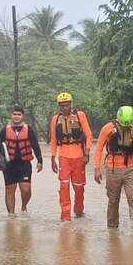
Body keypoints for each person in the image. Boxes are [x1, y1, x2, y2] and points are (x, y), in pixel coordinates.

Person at [93, 106, 133, 229]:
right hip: (113, 169)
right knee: (113, 201)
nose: (126, 127)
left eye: (128, 125)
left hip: (132, 168)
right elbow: (98, 149)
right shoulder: (107, 129)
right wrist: (97, 169)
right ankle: (112, 230)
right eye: (124, 125)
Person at [49, 92, 94, 222]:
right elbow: (53, 139)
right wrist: (53, 158)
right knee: (63, 186)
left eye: (67, 105)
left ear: (70, 104)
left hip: (79, 155)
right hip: (63, 155)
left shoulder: (80, 116)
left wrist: (87, 153)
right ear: (59, 106)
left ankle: (79, 210)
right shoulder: (55, 119)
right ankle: (65, 216)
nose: (64, 108)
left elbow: (89, 135)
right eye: (62, 105)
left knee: (79, 187)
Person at [0, 105, 43, 214]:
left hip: (24, 163)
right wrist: (1, 157)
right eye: (14, 114)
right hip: (9, 165)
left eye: (19, 114)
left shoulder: (29, 130)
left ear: (23, 116)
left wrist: (40, 161)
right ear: (11, 116)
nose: (16, 116)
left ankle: (23, 207)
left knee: (26, 190)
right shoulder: (5, 130)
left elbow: (35, 145)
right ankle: (11, 215)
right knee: (9, 189)